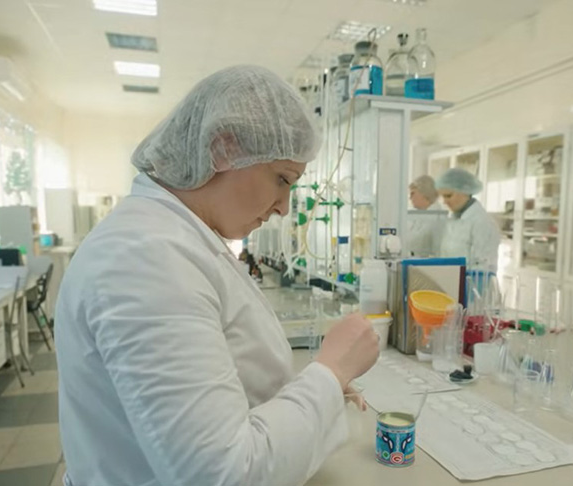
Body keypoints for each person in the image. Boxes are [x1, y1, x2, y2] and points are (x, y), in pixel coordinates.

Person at [55, 65, 379, 486]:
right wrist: (330, 373)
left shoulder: (179, 238)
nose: (284, 207)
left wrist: (313, 394)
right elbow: (221, 474)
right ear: (224, 148)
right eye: (282, 179)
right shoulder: (144, 257)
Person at [436, 167, 501, 270]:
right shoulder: (453, 220)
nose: (445, 201)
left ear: (465, 192)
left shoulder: (483, 223)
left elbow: (483, 268)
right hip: (451, 278)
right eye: (442, 197)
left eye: (448, 196)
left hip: (470, 280)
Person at [406, 175, 444, 257]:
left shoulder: (438, 218)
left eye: (413, 193)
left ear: (424, 193)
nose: (410, 198)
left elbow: (438, 252)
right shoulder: (417, 215)